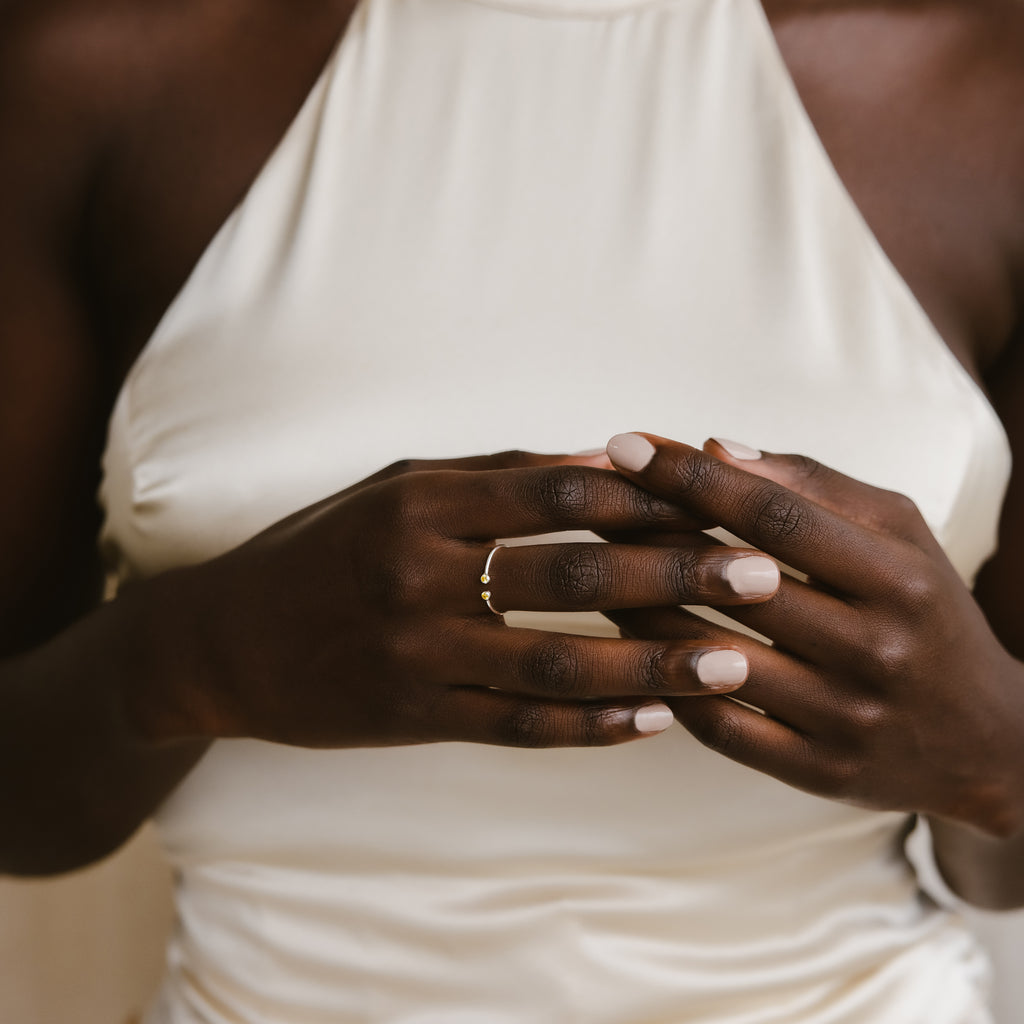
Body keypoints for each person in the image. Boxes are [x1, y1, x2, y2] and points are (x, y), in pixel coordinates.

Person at [2, 0, 1023, 1020]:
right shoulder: (100, 56)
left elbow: (1000, 867)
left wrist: (988, 753)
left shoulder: (991, 79)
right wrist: (195, 656)